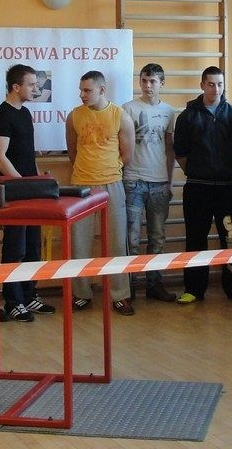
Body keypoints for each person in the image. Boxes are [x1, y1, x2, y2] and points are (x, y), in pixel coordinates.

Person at [173, 66, 232, 304]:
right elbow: (181, 153)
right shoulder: (187, 116)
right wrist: (197, 171)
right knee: (195, 239)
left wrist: (227, 168)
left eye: (220, 84)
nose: (216, 89)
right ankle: (194, 289)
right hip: (198, 187)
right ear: (202, 86)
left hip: (229, 187)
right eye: (211, 84)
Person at [67, 70, 135, 315]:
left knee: (116, 243)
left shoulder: (120, 116)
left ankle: (120, 295)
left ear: (102, 90)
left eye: (87, 90)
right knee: (79, 243)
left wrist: (107, 171)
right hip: (81, 187)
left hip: (111, 184)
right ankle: (81, 294)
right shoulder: (74, 116)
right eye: (81, 90)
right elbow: (72, 152)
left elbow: (127, 155)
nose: (82, 95)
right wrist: (87, 172)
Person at [0, 64, 54, 322]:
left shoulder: (25, 113)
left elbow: (28, 154)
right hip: (15, 191)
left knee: (32, 246)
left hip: (31, 189)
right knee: (14, 247)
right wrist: (21, 184)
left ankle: (28, 295)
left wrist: (37, 180)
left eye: (36, 84)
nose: (36, 88)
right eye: (31, 84)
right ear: (16, 87)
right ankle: (13, 300)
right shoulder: (2, 115)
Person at [122, 63, 177, 302]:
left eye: (152, 81)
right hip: (133, 180)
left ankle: (154, 284)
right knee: (131, 238)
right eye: (144, 80)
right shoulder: (127, 109)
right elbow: (121, 147)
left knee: (157, 237)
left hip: (159, 183)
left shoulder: (169, 111)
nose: (147, 86)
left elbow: (170, 149)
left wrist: (169, 182)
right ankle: (129, 287)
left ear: (161, 83)